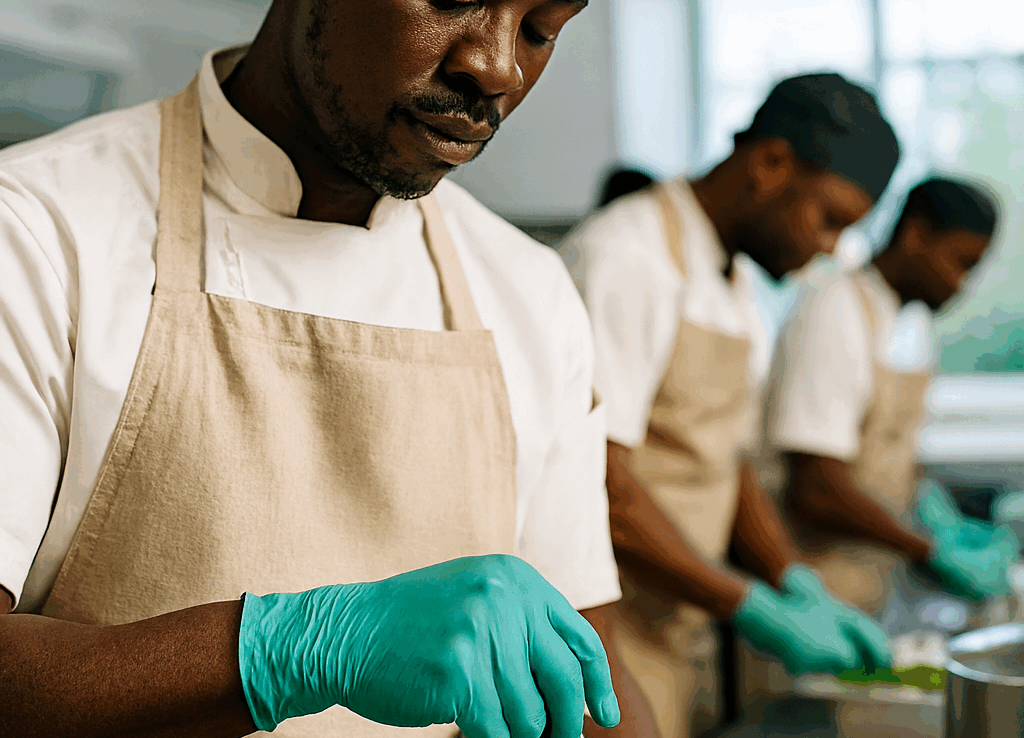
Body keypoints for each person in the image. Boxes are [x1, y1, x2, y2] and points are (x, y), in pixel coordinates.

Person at [0, 2, 655, 737]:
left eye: (540, 29)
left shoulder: (529, 293)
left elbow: (587, 681)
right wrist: (289, 650)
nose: (497, 67)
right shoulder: (35, 234)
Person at [558, 73, 900, 738]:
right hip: (602, 636)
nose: (830, 247)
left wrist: (790, 576)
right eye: (827, 219)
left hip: (681, 623)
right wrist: (748, 602)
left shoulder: (737, 285)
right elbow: (599, 485)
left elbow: (725, 460)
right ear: (770, 163)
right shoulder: (625, 258)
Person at [762, 176, 1009, 614]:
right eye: (960, 262)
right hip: (813, 596)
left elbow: (889, 453)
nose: (963, 285)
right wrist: (928, 548)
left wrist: (932, 509)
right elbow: (815, 487)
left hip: (870, 588)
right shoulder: (833, 308)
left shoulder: (909, 325)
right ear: (915, 236)